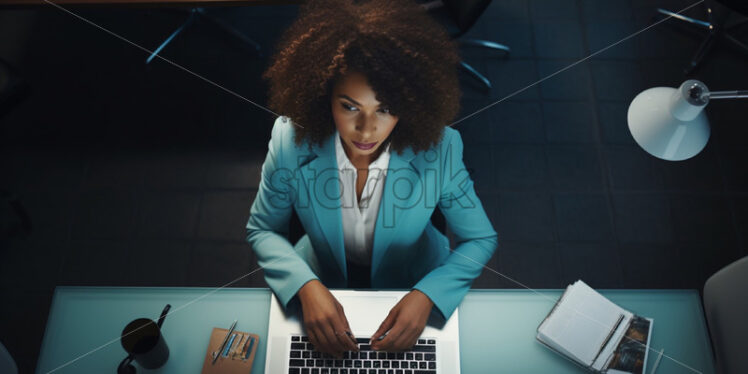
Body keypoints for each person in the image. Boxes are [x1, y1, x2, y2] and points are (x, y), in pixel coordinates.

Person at [246, 0, 498, 359]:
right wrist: (304, 285)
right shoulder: (290, 142)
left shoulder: (441, 149)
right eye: (349, 106)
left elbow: (479, 238)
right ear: (323, 98)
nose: (367, 130)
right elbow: (262, 230)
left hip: (411, 289)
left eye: (385, 108)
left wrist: (429, 294)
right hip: (323, 286)